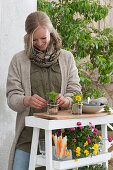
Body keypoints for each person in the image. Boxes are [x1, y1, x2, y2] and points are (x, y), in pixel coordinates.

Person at [6, 11, 81, 170]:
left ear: (51, 33)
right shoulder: (19, 60)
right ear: (28, 38)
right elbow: (12, 97)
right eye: (34, 40)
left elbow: (75, 91)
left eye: (43, 38)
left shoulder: (67, 58)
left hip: (59, 139)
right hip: (27, 138)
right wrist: (26, 100)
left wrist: (67, 100)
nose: (40, 43)